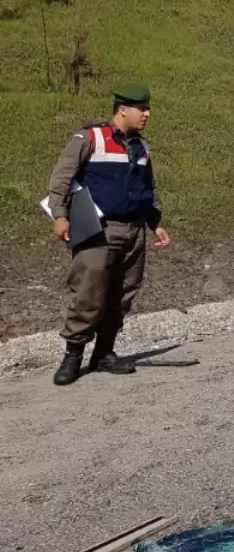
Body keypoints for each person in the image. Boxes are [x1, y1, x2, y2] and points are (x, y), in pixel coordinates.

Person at [47, 85, 171, 386]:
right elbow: (62, 176)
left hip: (134, 230)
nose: (147, 114)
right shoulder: (90, 137)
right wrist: (60, 215)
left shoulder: (142, 147)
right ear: (122, 109)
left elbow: (147, 189)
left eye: (147, 108)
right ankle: (73, 355)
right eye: (141, 108)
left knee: (122, 293)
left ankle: (104, 353)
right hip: (98, 230)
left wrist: (155, 222)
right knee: (88, 292)